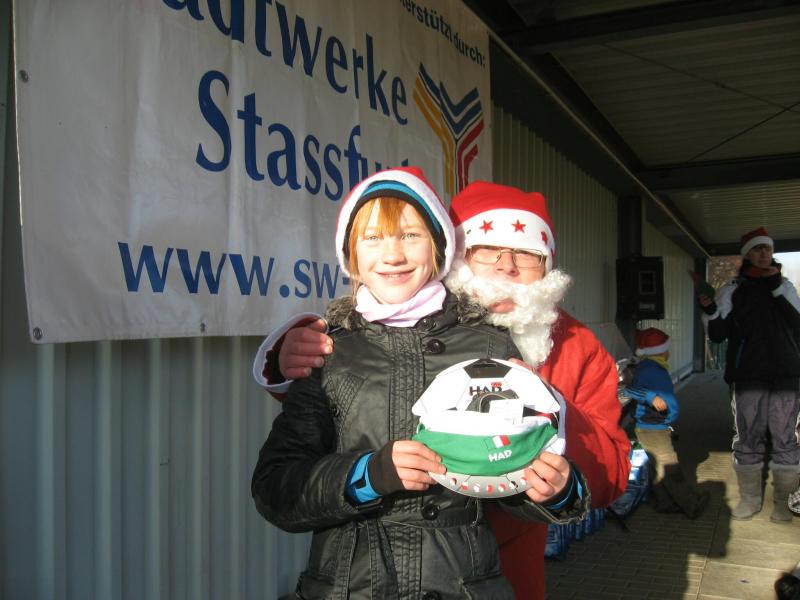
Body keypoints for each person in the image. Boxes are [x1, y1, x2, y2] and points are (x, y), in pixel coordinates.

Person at [254, 181, 631, 599]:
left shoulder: (572, 345)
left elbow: (610, 473)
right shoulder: (355, 334)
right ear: (454, 255)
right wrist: (289, 358)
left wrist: (548, 410)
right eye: (487, 250)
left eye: (527, 254)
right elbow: (339, 415)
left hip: (502, 565)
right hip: (361, 570)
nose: (507, 267)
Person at [699, 226, 800, 522]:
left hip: (786, 376)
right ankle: (750, 500)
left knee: (785, 439)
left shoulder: (786, 287)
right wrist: (709, 310)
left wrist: (776, 288)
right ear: (747, 255)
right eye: (757, 249)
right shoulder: (732, 290)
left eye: (767, 248)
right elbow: (718, 335)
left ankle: (782, 503)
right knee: (748, 438)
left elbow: (797, 324)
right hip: (748, 377)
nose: (764, 253)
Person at [624, 328, 709, 518]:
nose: (668, 352)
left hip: (654, 426)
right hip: (652, 428)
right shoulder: (650, 369)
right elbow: (629, 390)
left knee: (658, 467)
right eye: (666, 349)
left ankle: (664, 503)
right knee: (671, 468)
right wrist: (651, 397)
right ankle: (692, 505)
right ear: (660, 351)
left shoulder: (651, 367)